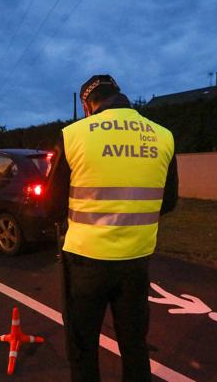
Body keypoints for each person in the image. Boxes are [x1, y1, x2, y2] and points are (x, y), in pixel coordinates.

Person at [47, 75, 178, 382]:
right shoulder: (163, 136)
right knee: (134, 344)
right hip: (136, 261)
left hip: (85, 262)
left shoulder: (74, 135)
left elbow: (51, 206)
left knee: (83, 346)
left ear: (86, 104)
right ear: (119, 94)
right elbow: (168, 201)